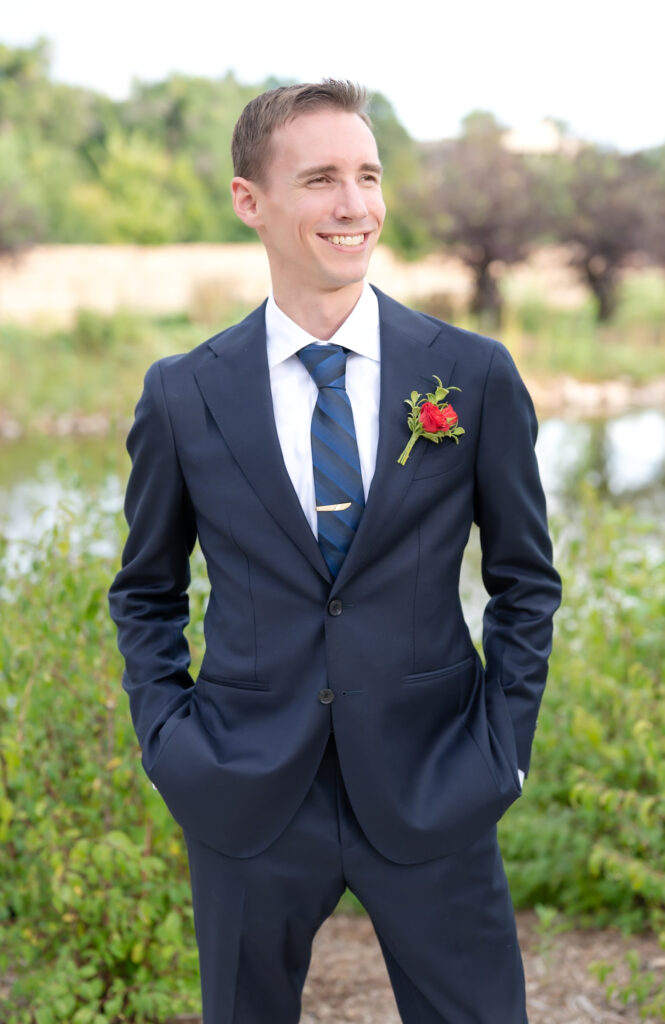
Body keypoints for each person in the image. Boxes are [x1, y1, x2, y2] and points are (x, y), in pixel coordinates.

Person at [109, 80, 561, 1024]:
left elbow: (524, 581)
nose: (354, 205)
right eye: (320, 179)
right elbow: (145, 591)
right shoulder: (184, 394)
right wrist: (171, 747)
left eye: (367, 176)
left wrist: (500, 751)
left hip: (436, 780)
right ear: (250, 202)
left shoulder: (468, 376)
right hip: (244, 792)